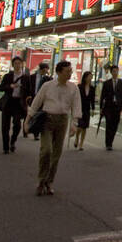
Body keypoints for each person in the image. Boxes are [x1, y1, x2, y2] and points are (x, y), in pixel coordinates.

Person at [23, 59, 81, 195]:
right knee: (46, 150)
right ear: (59, 72)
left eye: (71, 71)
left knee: (56, 154)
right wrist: (27, 121)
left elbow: (76, 106)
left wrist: (74, 124)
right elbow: (36, 103)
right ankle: (41, 180)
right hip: (48, 120)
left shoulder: (73, 88)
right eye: (67, 71)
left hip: (62, 121)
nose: (70, 73)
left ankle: (49, 182)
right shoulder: (48, 86)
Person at [0, 57, 32, 154]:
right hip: (8, 102)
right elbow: (1, 88)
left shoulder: (26, 77)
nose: (17, 65)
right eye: (15, 63)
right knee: (5, 126)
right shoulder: (8, 76)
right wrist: (10, 86)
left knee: (17, 125)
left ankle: (12, 141)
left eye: (19, 63)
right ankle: (5, 147)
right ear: (13, 65)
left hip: (19, 103)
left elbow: (29, 91)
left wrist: (28, 102)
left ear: (22, 64)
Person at [101, 65, 122, 150]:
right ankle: (108, 144)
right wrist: (101, 108)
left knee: (115, 125)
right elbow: (103, 96)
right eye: (114, 71)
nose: (115, 73)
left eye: (116, 71)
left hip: (117, 107)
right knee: (109, 124)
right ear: (111, 72)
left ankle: (111, 141)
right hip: (108, 107)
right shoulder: (106, 83)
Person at [29, 63, 52, 140]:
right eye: (46, 68)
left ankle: (36, 133)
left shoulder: (48, 78)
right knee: (31, 113)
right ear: (42, 69)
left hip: (42, 100)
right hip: (32, 97)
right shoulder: (32, 77)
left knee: (39, 115)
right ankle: (27, 127)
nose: (47, 70)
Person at [74, 71, 95, 149]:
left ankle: (81, 144)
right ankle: (76, 138)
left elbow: (92, 99)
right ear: (85, 77)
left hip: (87, 109)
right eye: (89, 76)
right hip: (80, 108)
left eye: (91, 77)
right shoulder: (79, 87)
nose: (90, 78)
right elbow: (76, 98)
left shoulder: (92, 88)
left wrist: (93, 109)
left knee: (84, 127)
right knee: (79, 126)